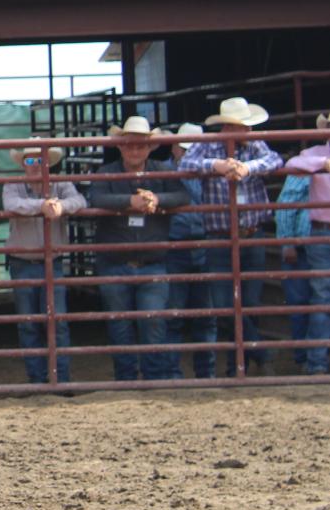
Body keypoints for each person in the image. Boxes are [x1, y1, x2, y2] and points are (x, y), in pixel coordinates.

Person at [181, 97, 285, 376]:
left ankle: (236, 364)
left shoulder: (254, 146)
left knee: (247, 304)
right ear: (229, 127)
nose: (248, 132)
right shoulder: (207, 146)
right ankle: (259, 355)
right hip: (220, 235)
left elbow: (275, 159)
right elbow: (185, 165)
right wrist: (218, 165)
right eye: (243, 126)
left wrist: (247, 168)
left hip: (250, 233)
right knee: (226, 305)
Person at [86, 116, 191, 381]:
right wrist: (130, 201)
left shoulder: (161, 172)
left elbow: (182, 196)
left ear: (150, 147)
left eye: (140, 145)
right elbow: (97, 198)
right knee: (121, 325)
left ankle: (152, 376)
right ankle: (127, 378)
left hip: (151, 260)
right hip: (116, 260)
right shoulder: (106, 173)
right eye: (130, 145)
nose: (135, 150)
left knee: (152, 321)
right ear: (121, 146)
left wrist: (157, 198)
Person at [1, 144, 84, 385]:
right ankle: (38, 379)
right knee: (29, 324)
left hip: (52, 260)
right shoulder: (13, 185)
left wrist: (59, 206)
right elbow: (11, 204)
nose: (35, 165)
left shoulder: (61, 183)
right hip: (23, 261)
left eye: (40, 160)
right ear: (22, 165)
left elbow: (79, 200)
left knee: (57, 322)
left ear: (49, 163)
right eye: (30, 161)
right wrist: (42, 206)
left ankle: (61, 378)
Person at [282, 114, 330, 376]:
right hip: (321, 232)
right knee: (322, 298)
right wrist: (324, 163)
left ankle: (317, 361)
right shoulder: (315, 153)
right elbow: (293, 163)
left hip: (321, 233)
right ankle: (317, 362)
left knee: (321, 298)